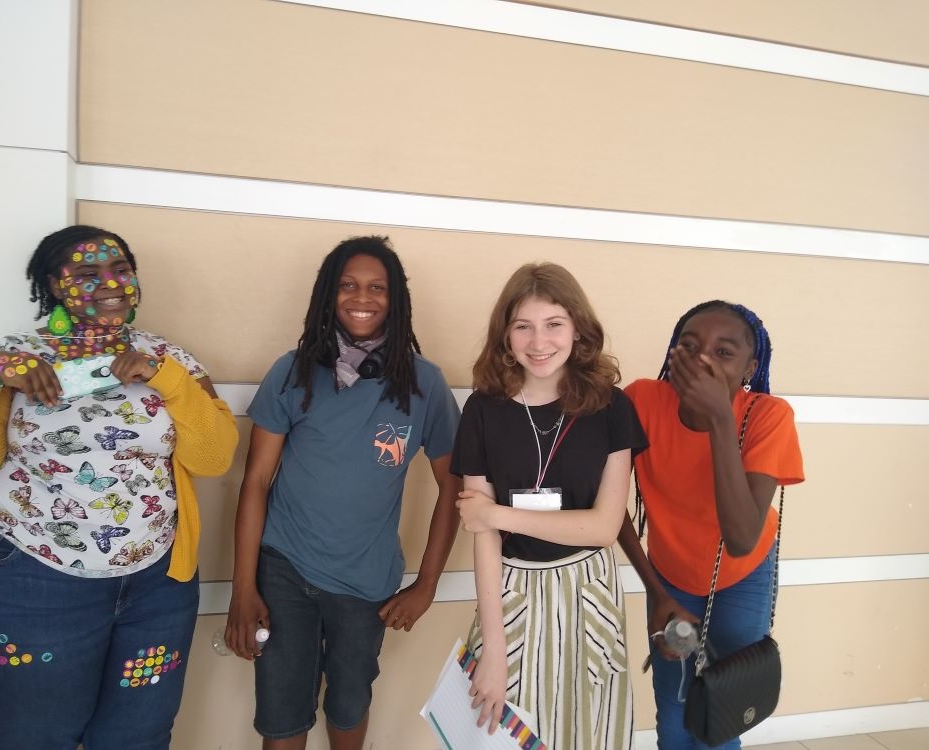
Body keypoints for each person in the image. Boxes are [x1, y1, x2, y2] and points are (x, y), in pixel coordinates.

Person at [0, 225, 238, 750]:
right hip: (28, 584)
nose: (110, 284)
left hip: (157, 587)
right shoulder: (12, 356)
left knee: (137, 738)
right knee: (34, 738)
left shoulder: (170, 359)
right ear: (54, 284)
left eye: (120, 270)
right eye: (88, 274)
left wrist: (164, 378)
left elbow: (213, 458)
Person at [225, 236, 461, 749]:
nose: (363, 297)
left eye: (378, 287)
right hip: (285, 569)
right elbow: (257, 482)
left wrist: (427, 585)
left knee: (350, 703)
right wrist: (243, 588)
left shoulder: (424, 384)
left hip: (365, 583)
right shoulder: (292, 371)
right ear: (328, 294)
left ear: (395, 300)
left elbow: (452, 486)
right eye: (348, 285)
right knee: (282, 713)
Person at [452, 263, 647, 750]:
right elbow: (483, 537)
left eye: (554, 324)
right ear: (505, 334)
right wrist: (493, 649)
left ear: (577, 328)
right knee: (505, 730)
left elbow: (604, 527)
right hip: (510, 587)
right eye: (523, 326)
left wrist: (497, 514)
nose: (539, 342)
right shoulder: (483, 409)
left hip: (588, 587)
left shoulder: (611, 407)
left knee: (590, 732)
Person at [617, 300, 805, 750]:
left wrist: (721, 418)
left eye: (724, 352)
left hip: (744, 575)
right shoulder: (641, 400)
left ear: (749, 367)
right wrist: (657, 593)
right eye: (689, 345)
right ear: (671, 354)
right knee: (675, 707)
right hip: (670, 576)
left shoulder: (768, 415)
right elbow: (609, 508)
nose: (703, 359)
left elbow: (741, 539)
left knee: (719, 711)